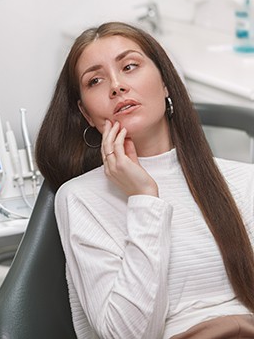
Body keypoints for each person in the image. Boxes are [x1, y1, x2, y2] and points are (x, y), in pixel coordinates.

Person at [35, 21, 254, 339]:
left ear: (165, 83)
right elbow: (128, 335)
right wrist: (143, 198)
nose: (116, 86)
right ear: (86, 114)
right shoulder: (78, 198)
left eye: (129, 66)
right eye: (95, 80)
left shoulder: (243, 181)